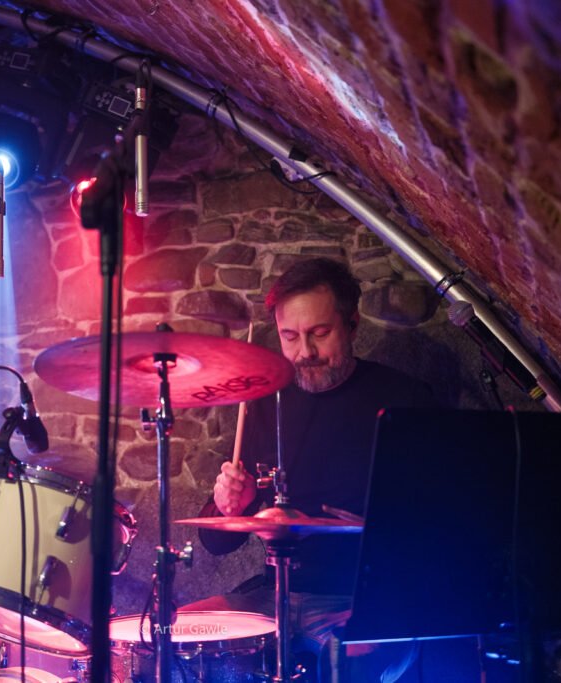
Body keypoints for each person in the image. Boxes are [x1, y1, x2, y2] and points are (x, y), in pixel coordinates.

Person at [187, 257, 436, 682]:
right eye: (290, 337)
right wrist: (230, 506)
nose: (305, 353)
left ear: (352, 325)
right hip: (273, 594)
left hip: (356, 598)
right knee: (176, 636)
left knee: (350, 660)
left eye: (320, 334)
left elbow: (434, 527)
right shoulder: (265, 403)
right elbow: (216, 543)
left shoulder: (405, 399)